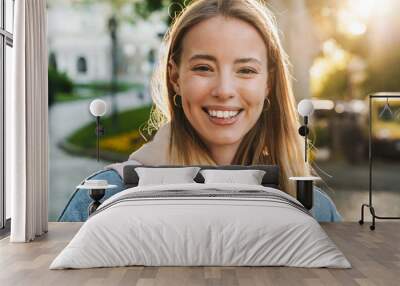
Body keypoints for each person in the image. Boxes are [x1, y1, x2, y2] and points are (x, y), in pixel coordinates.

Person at [59, 0, 342, 222]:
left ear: (268, 83)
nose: (224, 90)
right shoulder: (102, 197)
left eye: (245, 70)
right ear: (175, 77)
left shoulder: (316, 210)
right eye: (203, 68)